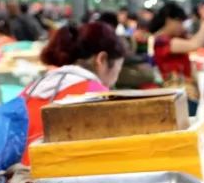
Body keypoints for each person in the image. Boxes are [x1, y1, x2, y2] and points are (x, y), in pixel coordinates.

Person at [20, 21, 125, 158]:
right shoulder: (98, 96)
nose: (116, 78)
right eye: (119, 68)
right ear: (102, 59)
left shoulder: (32, 88)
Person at [150, 2, 204, 114]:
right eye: (179, 22)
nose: (182, 26)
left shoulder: (174, 38)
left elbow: (197, 41)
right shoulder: (161, 41)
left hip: (185, 94)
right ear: (169, 20)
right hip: (177, 95)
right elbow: (194, 44)